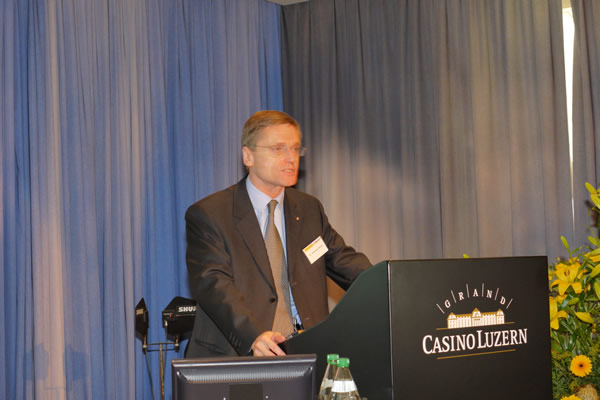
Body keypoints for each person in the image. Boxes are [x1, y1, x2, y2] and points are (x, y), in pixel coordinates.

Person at [185, 110, 371, 358]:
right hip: (240, 354)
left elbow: (344, 262)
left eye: (295, 149)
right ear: (248, 156)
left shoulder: (308, 209)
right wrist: (252, 336)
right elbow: (214, 285)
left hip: (306, 350)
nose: (291, 158)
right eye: (277, 149)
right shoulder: (211, 213)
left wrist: (393, 283)